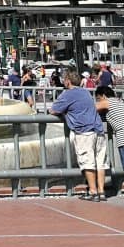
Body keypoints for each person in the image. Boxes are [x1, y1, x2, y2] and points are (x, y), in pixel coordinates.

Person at [50, 71, 109, 201]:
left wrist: (64, 113)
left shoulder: (68, 94)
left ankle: (93, 192)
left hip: (84, 131)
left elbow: (54, 110)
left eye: (64, 80)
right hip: (98, 130)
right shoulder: (85, 92)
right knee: (100, 162)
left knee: (87, 161)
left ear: (67, 81)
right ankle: (101, 191)